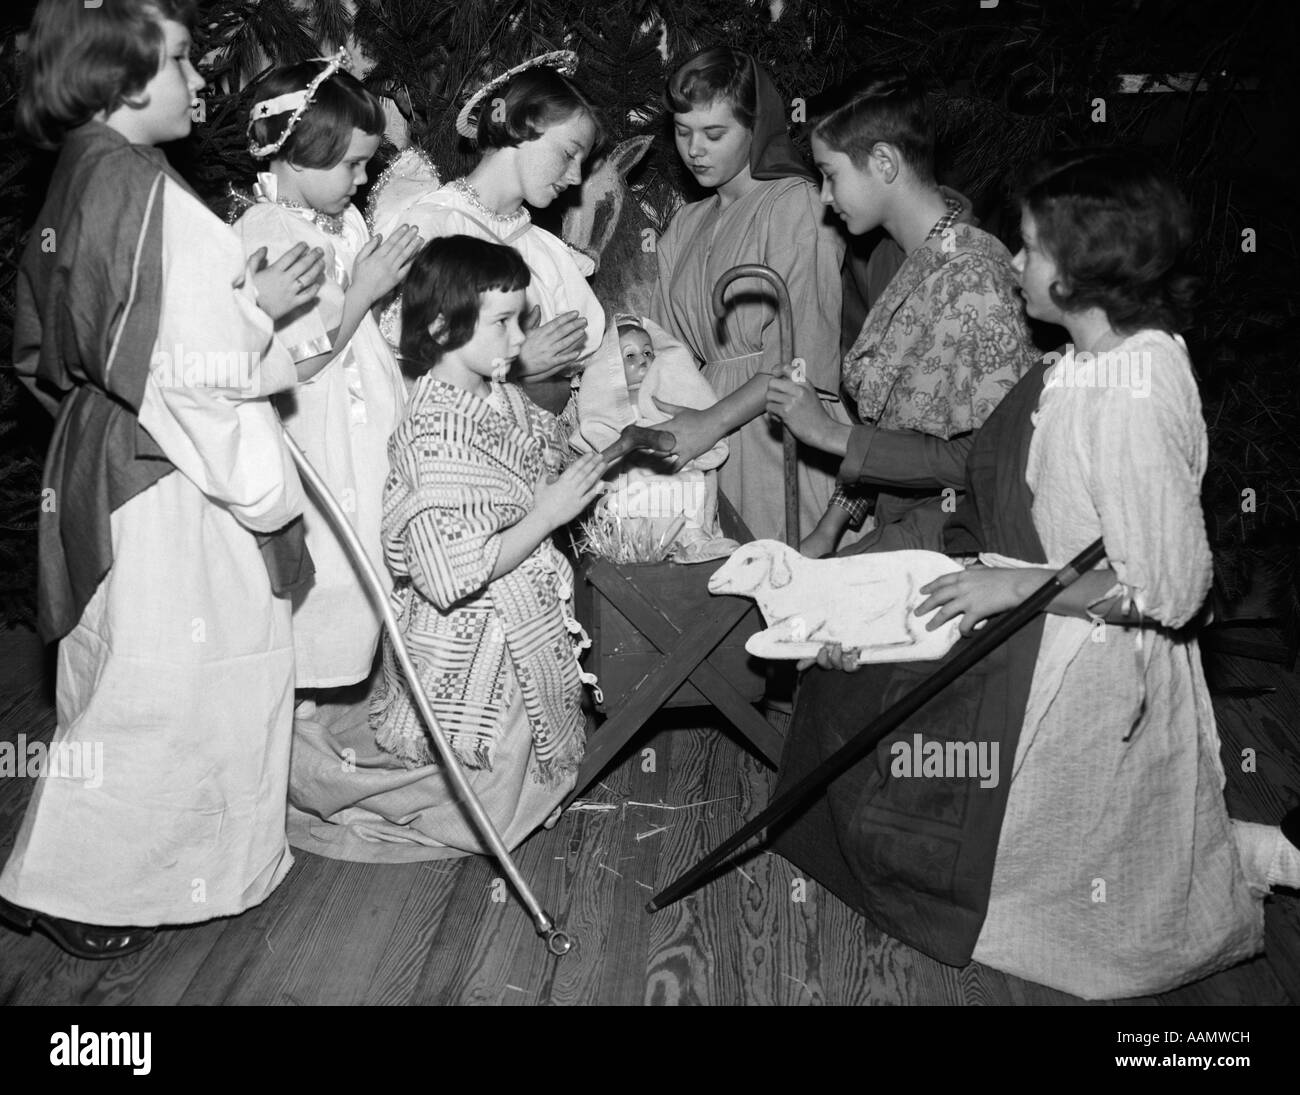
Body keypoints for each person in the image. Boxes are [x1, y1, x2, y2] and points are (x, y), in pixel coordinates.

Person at [773, 148, 1300, 999]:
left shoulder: (1129, 394)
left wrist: (1021, 584)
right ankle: (1247, 853)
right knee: (884, 722)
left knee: (1021, 852)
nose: (1011, 264)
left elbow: (1169, 593)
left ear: (1086, 268)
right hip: (1045, 619)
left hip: (1093, 661)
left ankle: (1225, 870)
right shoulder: (1084, 361)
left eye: (1029, 248)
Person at [0, 0, 313, 958]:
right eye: (181, 62)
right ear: (125, 78)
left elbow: (42, 348)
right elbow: (191, 374)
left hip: (116, 462)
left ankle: (114, 867)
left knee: (124, 674)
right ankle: (78, 886)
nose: (201, 80)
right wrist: (266, 494)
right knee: (167, 690)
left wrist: (234, 313)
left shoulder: (88, 174)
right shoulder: (137, 191)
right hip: (173, 480)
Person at [366, 235, 603, 851]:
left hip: (521, 616)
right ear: (443, 328)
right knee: (488, 784)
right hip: (471, 636)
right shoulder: (432, 430)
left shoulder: (494, 391)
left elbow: (527, 460)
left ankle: (524, 796)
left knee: (526, 755)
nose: (521, 340)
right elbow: (450, 575)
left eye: (520, 319)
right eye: (503, 323)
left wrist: (553, 478)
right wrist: (547, 513)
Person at [764, 70, 1037, 557]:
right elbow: (895, 428)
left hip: (959, 544)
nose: (825, 198)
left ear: (884, 162)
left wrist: (827, 432)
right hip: (905, 529)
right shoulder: (896, 258)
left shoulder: (974, 277)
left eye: (831, 175)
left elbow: (986, 455)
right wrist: (829, 531)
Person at [233, 54, 423, 691]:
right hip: (316, 430)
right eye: (350, 164)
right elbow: (298, 359)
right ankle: (304, 702)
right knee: (332, 570)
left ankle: (365, 696)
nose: (363, 177)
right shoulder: (268, 232)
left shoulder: (340, 219)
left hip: (360, 422)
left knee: (374, 548)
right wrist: (365, 288)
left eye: (368, 161)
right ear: (293, 151)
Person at [649, 46, 852, 546]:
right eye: (682, 132)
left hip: (776, 433)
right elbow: (663, 348)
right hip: (703, 441)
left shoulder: (795, 205)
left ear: (757, 128)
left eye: (715, 134)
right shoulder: (686, 224)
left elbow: (798, 362)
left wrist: (710, 424)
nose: (695, 149)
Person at [368, 52, 605, 418]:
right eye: (568, 153)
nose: (575, 177)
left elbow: (559, 396)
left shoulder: (547, 254)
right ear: (520, 125)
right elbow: (407, 371)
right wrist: (517, 363)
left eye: (582, 163)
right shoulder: (435, 226)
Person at [573, 315, 736, 563]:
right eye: (630, 356)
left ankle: (695, 539)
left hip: (673, 465)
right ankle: (646, 541)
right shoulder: (608, 407)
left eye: (648, 353)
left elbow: (689, 428)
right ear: (610, 365)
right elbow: (598, 441)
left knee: (695, 480)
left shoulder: (666, 397)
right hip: (634, 476)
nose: (643, 362)